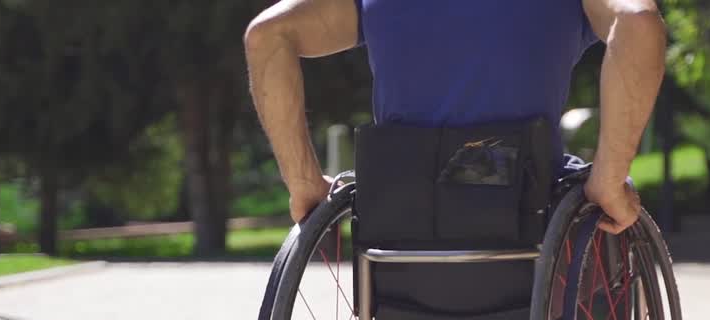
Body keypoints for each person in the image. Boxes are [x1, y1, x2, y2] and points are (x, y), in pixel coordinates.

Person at [244, 0, 667, 234]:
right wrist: (609, 182)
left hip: (399, 222)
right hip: (520, 207)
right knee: (599, 203)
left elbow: (266, 35)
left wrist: (304, 185)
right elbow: (639, 21)